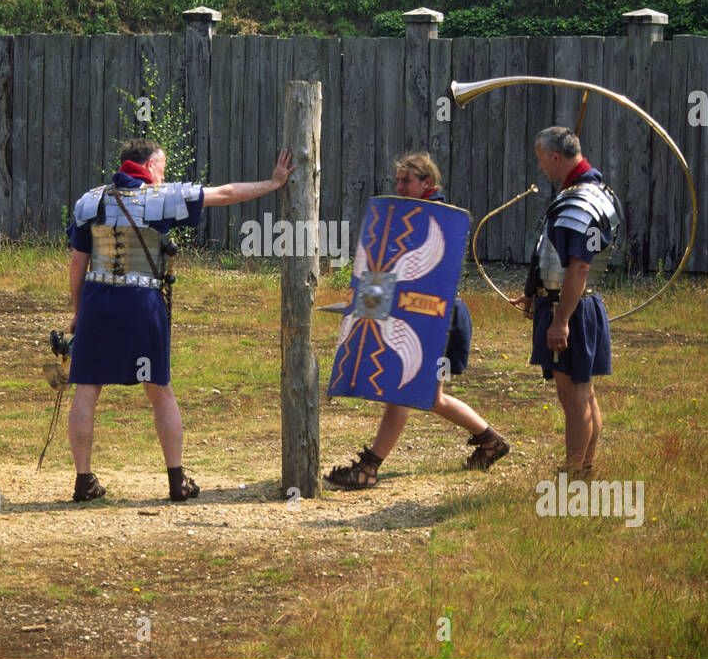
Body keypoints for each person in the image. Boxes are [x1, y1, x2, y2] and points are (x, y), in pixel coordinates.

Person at [65, 138, 295, 503]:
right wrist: (272, 184)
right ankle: (176, 481)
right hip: (141, 304)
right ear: (151, 164)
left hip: (98, 303)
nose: (165, 174)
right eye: (163, 166)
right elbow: (225, 193)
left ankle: (83, 482)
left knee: (87, 389)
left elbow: (78, 263)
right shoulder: (160, 198)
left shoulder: (90, 201)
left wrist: (77, 313)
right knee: (159, 390)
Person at [326, 152, 509, 490]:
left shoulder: (436, 220)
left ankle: (369, 468)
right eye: (397, 180)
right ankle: (491, 441)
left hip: (440, 322)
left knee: (405, 389)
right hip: (424, 319)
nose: (399, 187)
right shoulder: (405, 218)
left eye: (406, 180)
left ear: (428, 183)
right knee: (429, 396)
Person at [511, 127, 619, 480]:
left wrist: (561, 321)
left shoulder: (580, 200)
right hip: (573, 304)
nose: (540, 167)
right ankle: (583, 469)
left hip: (570, 307)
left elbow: (580, 266)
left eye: (542, 160)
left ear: (555, 157)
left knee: (574, 397)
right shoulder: (587, 191)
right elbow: (553, 254)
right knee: (582, 394)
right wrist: (533, 291)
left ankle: (575, 475)